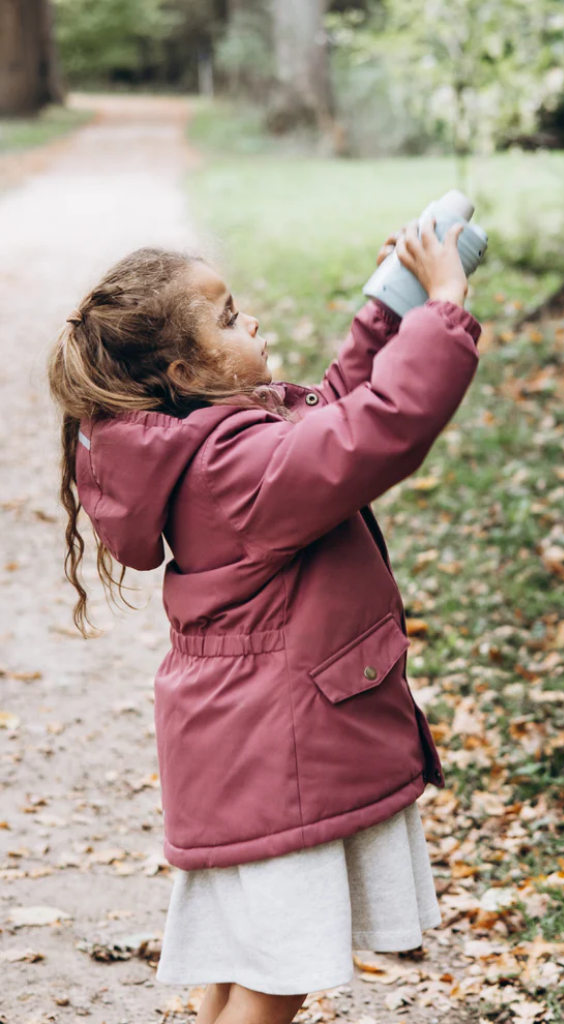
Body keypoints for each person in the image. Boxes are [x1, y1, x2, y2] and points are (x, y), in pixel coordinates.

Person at [46, 217, 480, 1024]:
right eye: (227, 316)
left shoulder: (205, 446)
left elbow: (335, 412)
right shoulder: (238, 467)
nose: (249, 321)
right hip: (282, 757)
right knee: (277, 975)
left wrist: (390, 311)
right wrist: (446, 309)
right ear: (185, 368)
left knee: (243, 963)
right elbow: (373, 432)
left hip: (247, 753)